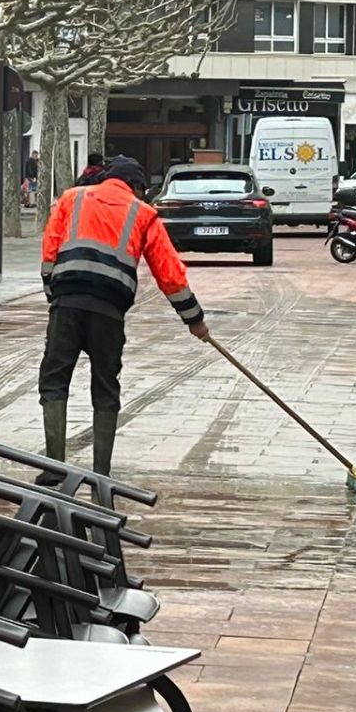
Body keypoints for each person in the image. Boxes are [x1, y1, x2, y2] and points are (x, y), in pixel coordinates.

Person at [39, 156, 210, 475]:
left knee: (54, 380)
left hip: (68, 303)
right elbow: (169, 274)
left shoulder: (71, 198)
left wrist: (54, 295)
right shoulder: (143, 214)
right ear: (136, 187)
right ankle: (101, 475)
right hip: (109, 311)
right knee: (105, 388)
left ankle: (53, 469)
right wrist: (194, 319)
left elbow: (49, 251)